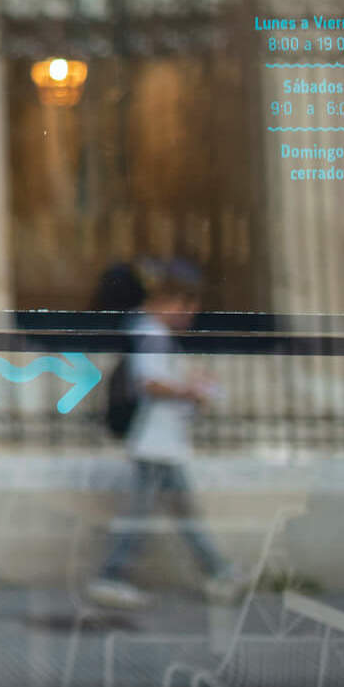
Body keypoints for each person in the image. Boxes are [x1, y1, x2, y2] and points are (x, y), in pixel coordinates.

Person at [84, 258, 238, 610]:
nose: (189, 316)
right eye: (186, 307)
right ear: (170, 302)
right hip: (154, 441)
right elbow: (149, 382)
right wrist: (191, 390)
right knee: (146, 516)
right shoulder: (149, 333)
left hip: (162, 442)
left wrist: (190, 386)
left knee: (177, 512)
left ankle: (218, 572)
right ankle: (112, 577)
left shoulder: (153, 334)